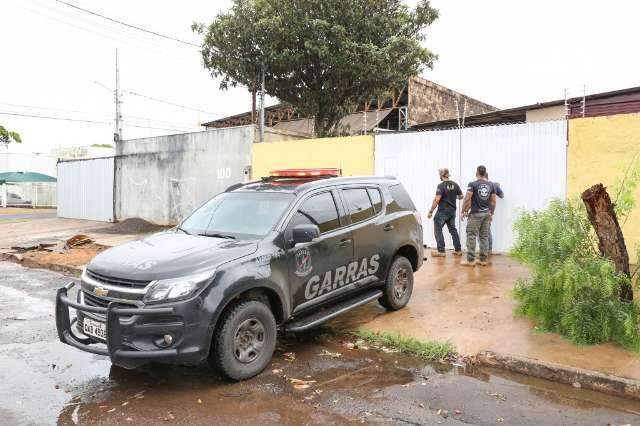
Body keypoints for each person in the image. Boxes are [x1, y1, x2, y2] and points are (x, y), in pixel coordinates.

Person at [461, 165, 496, 266]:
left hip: (475, 214)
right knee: (484, 236)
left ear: (477, 172)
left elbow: (467, 198)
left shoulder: (472, 184)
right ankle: (483, 260)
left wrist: (463, 211)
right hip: (486, 214)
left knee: (471, 235)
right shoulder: (491, 185)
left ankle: (471, 260)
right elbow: (493, 201)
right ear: (485, 173)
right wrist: (491, 213)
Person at [427, 168, 463, 257]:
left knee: (438, 228)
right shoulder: (455, 185)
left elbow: (437, 199)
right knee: (453, 230)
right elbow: (461, 196)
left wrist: (431, 211)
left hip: (443, 211)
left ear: (441, 176)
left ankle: (441, 251)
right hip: (452, 211)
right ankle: (458, 250)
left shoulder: (441, 186)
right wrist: (453, 197)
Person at [476, 173, 504, 254]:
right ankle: (489, 250)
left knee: (480, 232)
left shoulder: (476, 184)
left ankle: (483, 250)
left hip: (478, 211)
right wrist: (497, 187)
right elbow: (502, 195)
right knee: (487, 231)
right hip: (489, 211)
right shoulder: (493, 185)